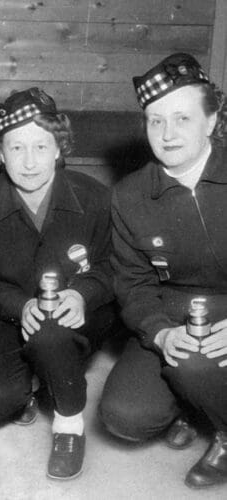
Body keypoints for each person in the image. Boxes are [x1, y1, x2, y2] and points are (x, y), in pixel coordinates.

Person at [0, 88, 114, 480]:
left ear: (60, 149)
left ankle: (68, 425)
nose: (29, 162)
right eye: (16, 148)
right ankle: (35, 382)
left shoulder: (96, 199)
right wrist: (19, 306)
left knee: (51, 337)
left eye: (41, 147)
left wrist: (83, 293)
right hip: (8, 316)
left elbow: (117, 266)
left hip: (73, 318)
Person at [99, 53, 227, 489]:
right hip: (173, 312)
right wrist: (160, 333)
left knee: (194, 365)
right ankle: (199, 404)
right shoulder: (131, 194)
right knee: (124, 417)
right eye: (155, 121)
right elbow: (132, 283)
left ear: (211, 121)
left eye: (182, 118)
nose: (168, 134)